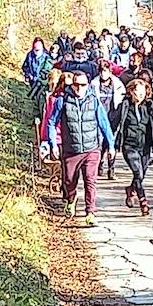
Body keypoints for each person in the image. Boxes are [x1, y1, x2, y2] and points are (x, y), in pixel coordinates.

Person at [44, 71, 115, 226]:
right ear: (72, 85)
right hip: (71, 149)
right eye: (76, 84)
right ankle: (71, 199)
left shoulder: (94, 101)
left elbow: (104, 123)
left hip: (92, 148)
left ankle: (90, 213)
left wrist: (110, 144)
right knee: (69, 180)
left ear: (88, 85)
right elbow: (51, 122)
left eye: (83, 85)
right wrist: (53, 144)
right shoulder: (62, 101)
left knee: (90, 180)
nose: (79, 88)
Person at [118, 78, 153, 215]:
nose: (140, 97)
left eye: (142, 94)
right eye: (137, 93)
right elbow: (116, 122)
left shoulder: (148, 105)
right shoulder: (125, 105)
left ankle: (131, 189)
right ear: (131, 91)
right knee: (138, 172)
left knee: (141, 175)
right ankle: (143, 201)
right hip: (130, 145)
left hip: (145, 146)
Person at [93, 61, 126, 179]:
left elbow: (122, 97)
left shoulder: (117, 84)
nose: (103, 74)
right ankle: (100, 164)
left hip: (113, 116)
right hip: (99, 117)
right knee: (100, 142)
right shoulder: (94, 84)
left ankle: (111, 169)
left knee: (112, 142)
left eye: (106, 71)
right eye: (101, 71)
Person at [22, 37, 55, 104]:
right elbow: (25, 66)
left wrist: (41, 78)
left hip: (42, 83)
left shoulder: (46, 57)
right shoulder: (30, 55)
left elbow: (47, 70)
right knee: (32, 98)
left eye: (39, 48)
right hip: (32, 81)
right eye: (35, 48)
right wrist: (28, 75)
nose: (37, 50)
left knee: (40, 98)